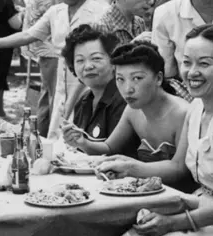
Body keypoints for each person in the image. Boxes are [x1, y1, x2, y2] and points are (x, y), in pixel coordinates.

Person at [88, 23, 213, 236]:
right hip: (202, 205)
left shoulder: (184, 108)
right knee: (131, 233)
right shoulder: (197, 109)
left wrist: (175, 221)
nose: (192, 72)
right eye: (187, 62)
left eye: (204, 64)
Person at [0, 0, 105, 131]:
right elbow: (28, 34)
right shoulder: (55, 12)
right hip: (63, 75)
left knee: (85, 122)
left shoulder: (99, 12)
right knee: (60, 121)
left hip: (91, 76)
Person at [62, 41, 190, 172]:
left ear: (158, 78)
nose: (128, 89)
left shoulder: (183, 113)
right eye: (120, 79)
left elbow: (180, 168)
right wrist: (82, 142)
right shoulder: (133, 111)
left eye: (137, 78)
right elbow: (109, 148)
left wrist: (132, 167)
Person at [63, 0, 165, 124]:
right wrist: (67, 113)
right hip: (111, 112)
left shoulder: (138, 22)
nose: (152, 1)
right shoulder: (101, 27)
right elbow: (83, 78)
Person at [22, 0, 81, 137]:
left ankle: (39, 140)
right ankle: (46, 142)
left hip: (43, 46)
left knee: (48, 97)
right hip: (52, 47)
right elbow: (59, 14)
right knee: (56, 99)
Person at [61, 24, 125, 141]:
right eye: (80, 60)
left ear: (113, 61)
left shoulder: (124, 99)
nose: (88, 66)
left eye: (96, 58)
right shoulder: (83, 102)